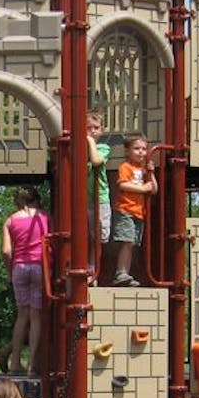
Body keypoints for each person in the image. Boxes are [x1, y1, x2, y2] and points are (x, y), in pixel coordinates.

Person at [0, 186, 49, 376]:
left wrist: (9, 271)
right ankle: (31, 366)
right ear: (36, 199)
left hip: (19, 267)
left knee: (22, 316)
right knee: (36, 316)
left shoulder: (10, 220)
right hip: (39, 267)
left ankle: (15, 364)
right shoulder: (45, 217)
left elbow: (6, 251)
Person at [108, 135, 156, 286]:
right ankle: (121, 272)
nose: (141, 152)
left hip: (138, 212)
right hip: (125, 210)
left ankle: (125, 273)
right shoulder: (125, 167)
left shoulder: (143, 169)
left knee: (132, 244)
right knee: (127, 241)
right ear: (127, 151)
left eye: (143, 149)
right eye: (136, 148)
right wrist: (142, 188)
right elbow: (122, 185)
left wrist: (151, 173)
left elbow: (154, 189)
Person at [87, 111, 115, 283]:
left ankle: (94, 269)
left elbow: (96, 161)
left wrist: (89, 141)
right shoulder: (80, 149)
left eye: (96, 128)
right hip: (86, 199)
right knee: (87, 235)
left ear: (101, 130)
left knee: (99, 236)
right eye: (88, 128)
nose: (92, 131)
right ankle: (90, 268)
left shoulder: (103, 148)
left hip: (100, 199)